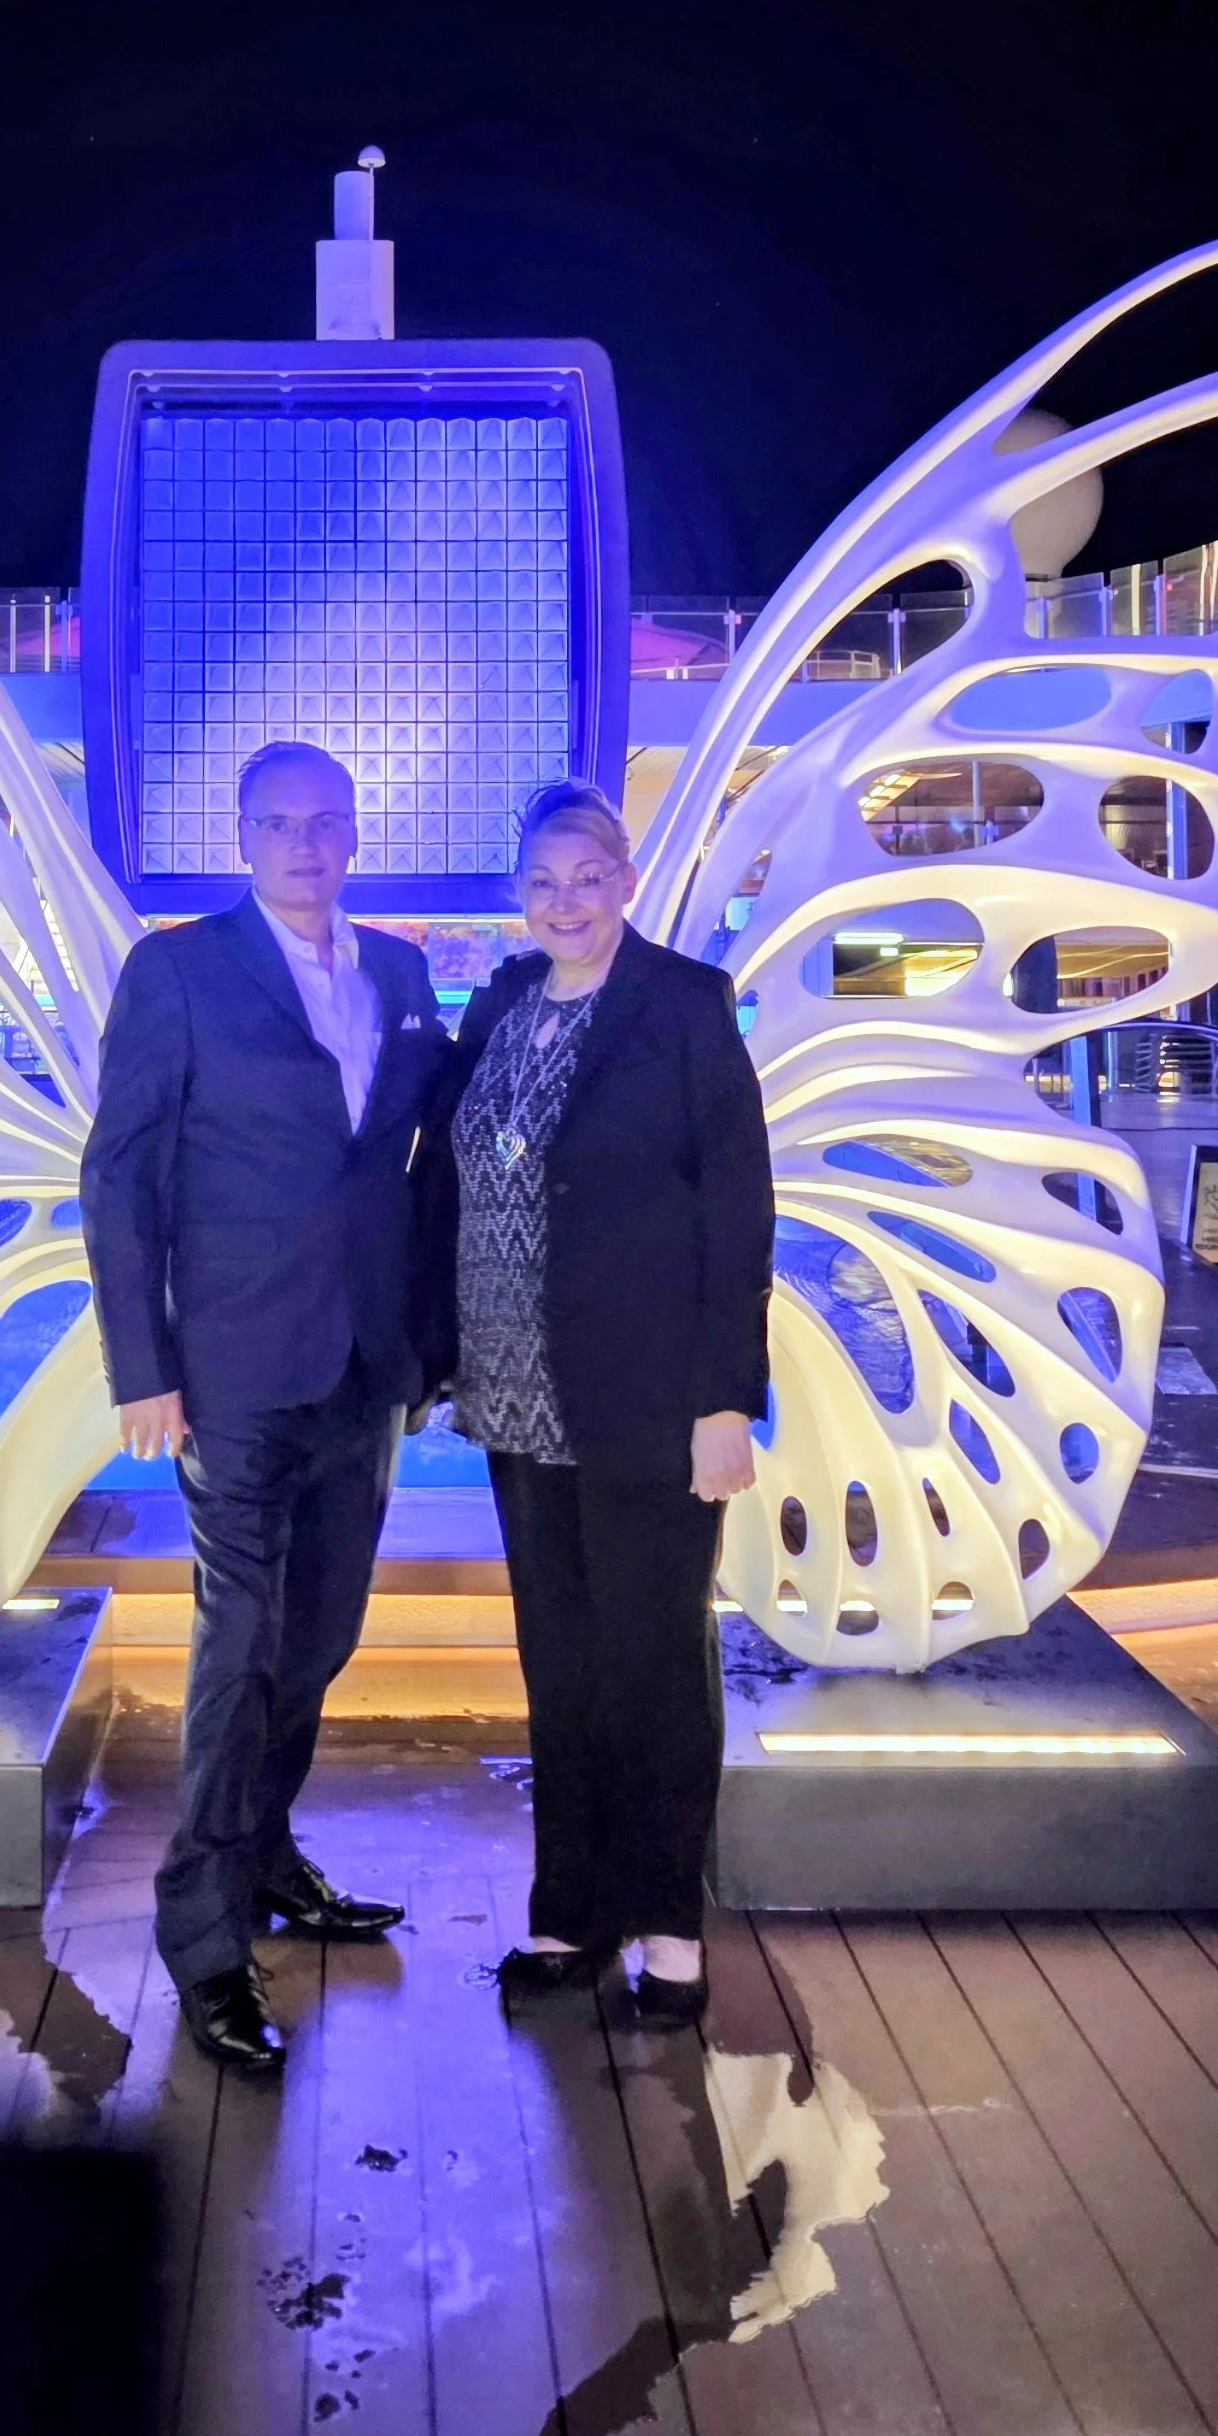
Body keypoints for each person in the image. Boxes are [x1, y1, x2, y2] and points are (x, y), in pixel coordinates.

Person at [80, 742, 451, 2076]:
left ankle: (273, 1851)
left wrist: (438, 1344)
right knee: (238, 1649)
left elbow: (421, 1165)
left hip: (362, 1368)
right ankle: (204, 1936)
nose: (306, 843)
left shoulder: (402, 976)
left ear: (355, 835)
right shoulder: (175, 973)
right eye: (280, 823)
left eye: (327, 822)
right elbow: (119, 1178)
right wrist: (142, 1366)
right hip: (232, 1375)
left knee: (322, 1637)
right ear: (243, 838)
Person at [417, 781, 774, 2025]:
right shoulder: (504, 1003)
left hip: (647, 1397)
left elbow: (736, 1212)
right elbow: (449, 1174)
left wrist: (725, 1399)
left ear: (624, 878)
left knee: (655, 1663)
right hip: (515, 1398)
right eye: (539, 882)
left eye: (583, 875)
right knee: (560, 1668)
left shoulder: (681, 1004)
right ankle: (570, 1909)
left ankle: (668, 1927)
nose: (562, 901)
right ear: (519, 898)